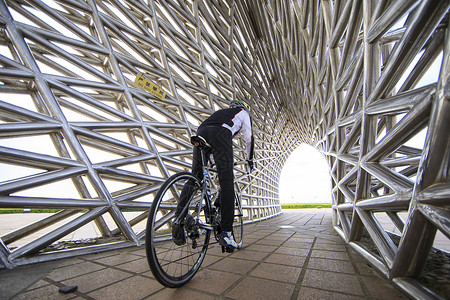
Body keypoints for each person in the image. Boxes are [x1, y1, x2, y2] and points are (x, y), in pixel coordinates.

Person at [172, 100, 254, 250]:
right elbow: (249, 138)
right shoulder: (243, 113)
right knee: (226, 181)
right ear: (243, 108)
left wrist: (215, 162)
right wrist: (250, 159)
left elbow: (211, 147)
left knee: (195, 177)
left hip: (201, 132)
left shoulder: (220, 113)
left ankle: (178, 218)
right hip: (221, 133)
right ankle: (227, 233)